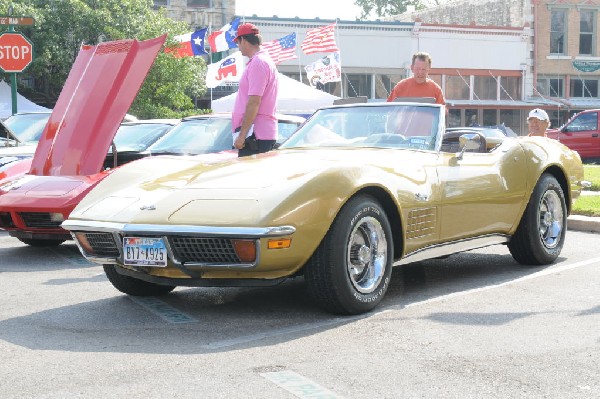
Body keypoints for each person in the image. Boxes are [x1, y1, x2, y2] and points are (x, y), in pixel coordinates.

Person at [232, 23, 279, 157]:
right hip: (260, 134)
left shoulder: (258, 63)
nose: (238, 46)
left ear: (244, 41)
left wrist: (242, 135)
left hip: (255, 136)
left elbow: (254, 101)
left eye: (238, 42)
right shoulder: (264, 61)